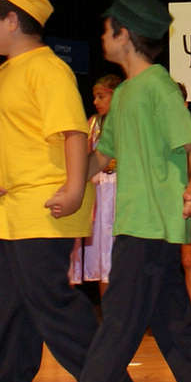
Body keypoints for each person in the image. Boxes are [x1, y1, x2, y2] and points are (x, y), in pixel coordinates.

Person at [46, 0, 191, 382]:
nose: (102, 36)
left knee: (119, 317)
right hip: (139, 223)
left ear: (125, 34)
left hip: (152, 224)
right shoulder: (126, 94)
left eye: (106, 29)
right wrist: (70, 185)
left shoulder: (157, 86)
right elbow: (103, 155)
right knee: (172, 321)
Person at [0, 0, 134, 382]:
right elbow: (2, 132)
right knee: (15, 308)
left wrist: (73, 188)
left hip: (45, 205)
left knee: (53, 304)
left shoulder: (48, 69)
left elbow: (72, 132)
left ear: (12, 21)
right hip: (12, 211)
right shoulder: (6, 73)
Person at [71, 73, 122, 298]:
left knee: (118, 249)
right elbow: (84, 157)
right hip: (99, 192)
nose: (95, 102)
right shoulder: (93, 124)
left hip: (120, 190)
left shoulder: (128, 121)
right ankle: (108, 308)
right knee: (103, 254)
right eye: (95, 97)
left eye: (101, 97)